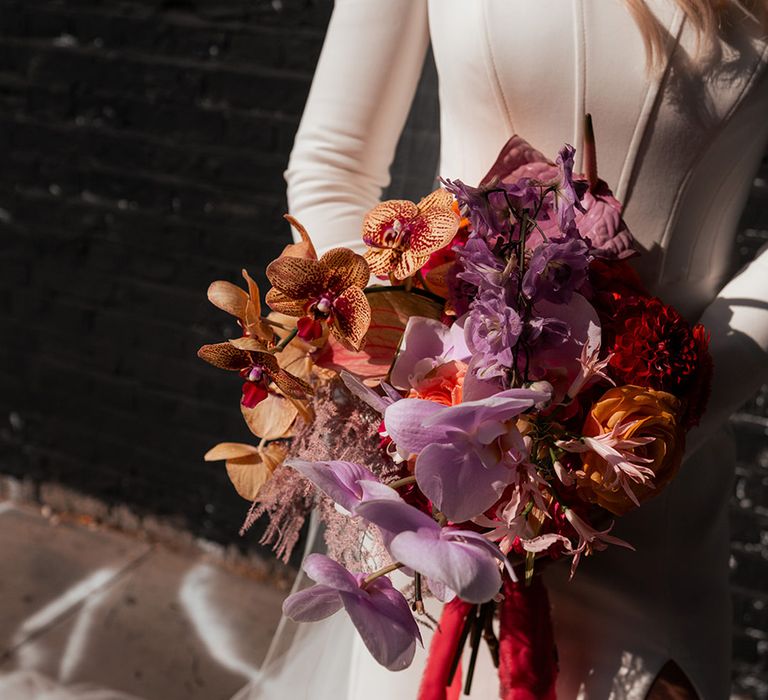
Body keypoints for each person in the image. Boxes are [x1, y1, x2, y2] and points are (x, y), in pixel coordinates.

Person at [241, 1, 768, 697]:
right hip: (430, 486)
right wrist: (396, 385)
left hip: (646, 499)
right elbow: (332, 164)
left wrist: (623, 441)